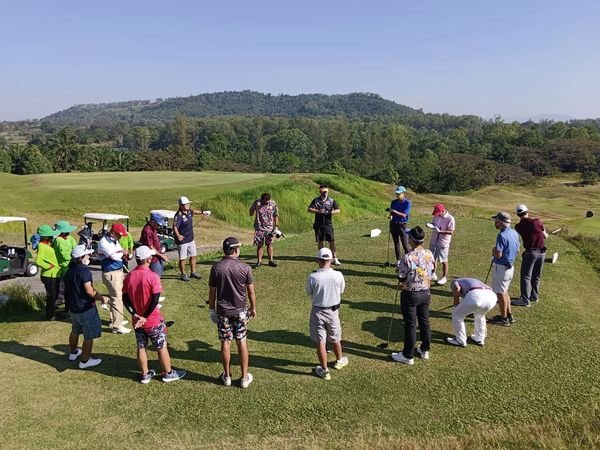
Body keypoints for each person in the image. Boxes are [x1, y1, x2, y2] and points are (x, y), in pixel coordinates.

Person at [123, 246, 186, 384]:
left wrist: (135, 314)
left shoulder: (129, 276)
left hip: (138, 321)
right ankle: (168, 373)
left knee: (141, 346)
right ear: (147, 259)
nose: (152, 258)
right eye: (150, 257)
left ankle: (145, 374)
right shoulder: (153, 276)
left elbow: (125, 298)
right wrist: (144, 316)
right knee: (161, 346)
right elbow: (155, 299)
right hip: (152, 320)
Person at [208, 237, 256, 388]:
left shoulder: (216, 267)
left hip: (223, 312)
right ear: (235, 250)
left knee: (225, 342)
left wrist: (211, 310)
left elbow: (212, 292)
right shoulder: (245, 267)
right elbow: (251, 292)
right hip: (241, 311)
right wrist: (253, 307)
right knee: (241, 341)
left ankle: (227, 376)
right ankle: (244, 378)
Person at [391, 226, 434, 365]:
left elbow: (402, 278)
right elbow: (432, 270)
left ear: (412, 240)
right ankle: (424, 349)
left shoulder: (407, 257)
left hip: (411, 295)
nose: (408, 238)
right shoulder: (429, 253)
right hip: (426, 293)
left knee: (410, 324)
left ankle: (408, 355)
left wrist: (399, 271)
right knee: (424, 321)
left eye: (409, 237)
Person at [305, 247, 348, 380]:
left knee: (320, 342)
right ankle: (339, 360)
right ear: (330, 260)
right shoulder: (338, 275)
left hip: (318, 311)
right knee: (336, 338)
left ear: (318, 260)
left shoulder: (312, 277)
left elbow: (309, 293)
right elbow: (341, 290)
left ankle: (324, 370)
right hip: (333, 311)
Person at [64, 245, 108, 369]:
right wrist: (101, 298)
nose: (89, 256)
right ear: (81, 257)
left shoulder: (69, 271)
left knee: (75, 330)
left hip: (74, 308)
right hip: (85, 308)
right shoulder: (85, 271)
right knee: (89, 336)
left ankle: (73, 353)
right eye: (87, 255)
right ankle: (85, 361)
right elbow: (89, 291)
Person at [97, 223, 131, 334]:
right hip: (111, 274)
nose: (121, 237)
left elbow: (120, 251)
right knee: (117, 298)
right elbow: (114, 256)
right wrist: (122, 252)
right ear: (112, 233)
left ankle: (115, 320)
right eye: (119, 235)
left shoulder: (114, 240)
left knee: (115, 298)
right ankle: (117, 326)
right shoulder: (103, 242)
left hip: (117, 272)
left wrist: (122, 252)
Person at [512, 204, 548, 307]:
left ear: (518, 214)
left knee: (526, 277)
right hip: (542, 253)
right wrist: (545, 234)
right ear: (528, 211)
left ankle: (525, 300)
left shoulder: (518, 227)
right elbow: (545, 236)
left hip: (530, 253)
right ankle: (534, 296)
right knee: (536, 276)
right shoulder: (537, 221)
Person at [488, 212, 520, 327]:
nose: (494, 223)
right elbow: (517, 250)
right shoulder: (514, 233)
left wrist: (494, 251)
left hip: (501, 268)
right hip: (510, 267)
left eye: (496, 221)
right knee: (505, 292)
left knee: (500, 294)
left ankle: (504, 318)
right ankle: (509, 315)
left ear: (500, 222)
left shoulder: (501, 235)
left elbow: (498, 254)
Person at [446, 278, 497, 347]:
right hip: (491, 297)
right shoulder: (471, 281)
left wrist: (456, 306)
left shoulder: (455, 282)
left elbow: (457, 289)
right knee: (480, 315)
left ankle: (460, 341)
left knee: (457, 315)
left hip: (476, 296)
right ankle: (479, 338)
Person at [173, 195, 211, 281]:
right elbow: (174, 227)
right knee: (183, 258)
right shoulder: (178, 216)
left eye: (188, 204)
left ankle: (193, 272)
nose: (188, 205)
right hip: (182, 241)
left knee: (193, 256)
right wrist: (178, 235)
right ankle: (183, 274)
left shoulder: (189, 211)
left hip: (190, 239)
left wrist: (203, 212)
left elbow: (194, 212)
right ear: (181, 205)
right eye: (186, 204)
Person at [308, 185, 341, 265]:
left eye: (326, 192)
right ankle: (321, 257)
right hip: (319, 224)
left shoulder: (332, 201)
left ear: (328, 191)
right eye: (323, 192)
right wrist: (318, 211)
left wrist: (330, 212)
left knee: (331, 241)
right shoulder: (316, 200)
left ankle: (334, 258)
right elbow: (309, 209)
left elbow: (338, 210)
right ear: (320, 192)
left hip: (328, 224)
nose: (325, 194)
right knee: (320, 241)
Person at [35, 225, 62, 320]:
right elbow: (38, 261)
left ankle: (51, 313)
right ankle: (50, 315)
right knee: (52, 296)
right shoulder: (42, 246)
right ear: (46, 237)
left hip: (54, 274)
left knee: (54, 295)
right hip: (49, 275)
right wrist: (49, 266)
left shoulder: (46, 245)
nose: (52, 237)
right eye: (51, 236)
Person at [249, 192, 279, 269]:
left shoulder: (273, 203)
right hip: (259, 228)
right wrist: (255, 208)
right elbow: (250, 213)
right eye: (265, 201)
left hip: (269, 228)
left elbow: (275, 215)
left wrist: (276, 226)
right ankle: (259, 261)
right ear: (261, 199)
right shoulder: (257, 202)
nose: (266, 202)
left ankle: (271, 261)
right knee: (259, 245)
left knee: (269, 244)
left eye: (268, 201)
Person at [52, 220, 78, 308]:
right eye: (66, 232)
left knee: (71, 287)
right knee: (67, 288)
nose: (68, 233)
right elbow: (65, 255)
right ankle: (67, 306)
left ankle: (69, 305)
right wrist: (74, 255)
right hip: (64, 267)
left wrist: (74, 254)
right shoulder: (58, 240)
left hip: (72, 265)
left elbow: (76, 249)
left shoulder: (70, 238)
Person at [428, 204, 455, 285]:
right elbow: (433, 223)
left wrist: (440, 232)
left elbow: (451, 232)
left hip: (443, 242)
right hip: (433, 240)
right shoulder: (436, 216)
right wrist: (431, 225)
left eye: (438, 213)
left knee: (444, 260)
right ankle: (433, 273)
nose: (437, 215)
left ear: (442, 211)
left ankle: (444, 277)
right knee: (432, 258)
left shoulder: (450, 218)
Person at [140, 212, 170, 277]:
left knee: (159, 274)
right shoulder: (147, 230)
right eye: (158, 224)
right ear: (153, 222)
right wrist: (162, 256)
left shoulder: (153, 228)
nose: (159, 226)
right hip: (153, 259)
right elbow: (151, 247)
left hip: (158, 256)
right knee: (155, 277)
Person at [387, 186, 411, 261]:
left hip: (402, 224)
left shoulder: (407, 203)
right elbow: (391, 212)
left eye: (399, 193)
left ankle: (409, 260)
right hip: (393, 224)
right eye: (397, 193)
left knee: (405, 244)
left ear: (403, 193)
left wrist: (393, 211)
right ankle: (399, 260)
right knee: (396, 243)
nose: (397, 195)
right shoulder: (393, 202)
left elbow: (404, 214)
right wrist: (390, 215)